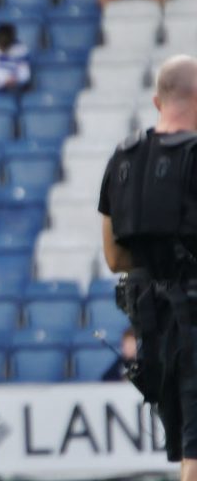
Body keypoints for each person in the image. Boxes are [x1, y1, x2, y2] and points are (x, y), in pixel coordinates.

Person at [98, 55, 197, 474]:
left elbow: (114, 257)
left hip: (154, 329)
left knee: (189, 452)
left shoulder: (122, 158)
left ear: (158, 101)